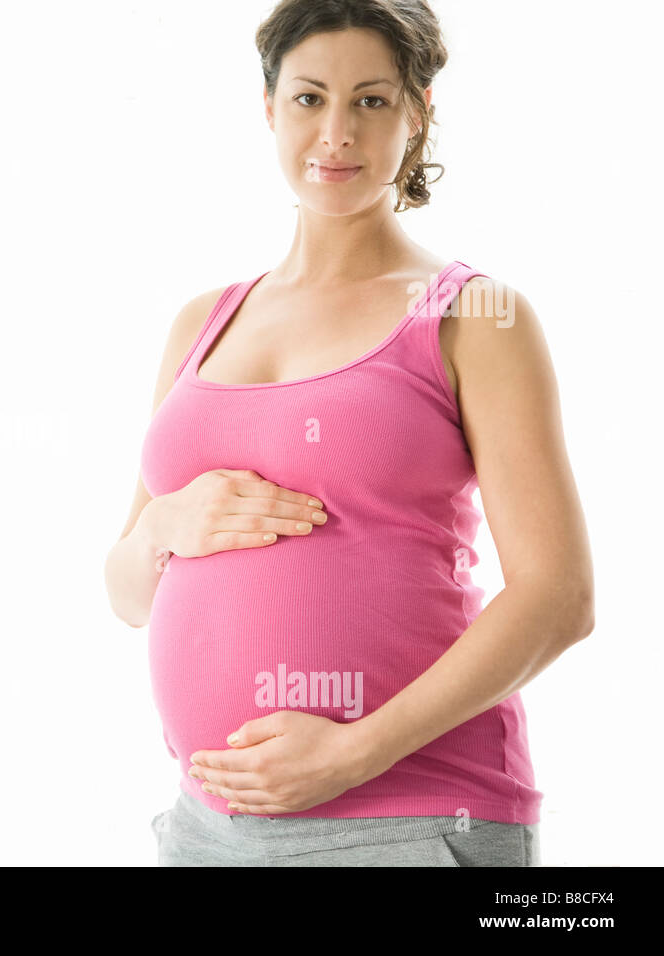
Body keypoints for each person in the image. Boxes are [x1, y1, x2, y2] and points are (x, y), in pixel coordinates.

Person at [102, 0, 594, 866]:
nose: (335, 133)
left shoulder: (474, 316)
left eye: (370, 100)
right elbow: (129, 594)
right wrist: (161, 527)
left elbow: (559, 597)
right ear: (268, 108)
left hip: (409, 817)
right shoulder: (201, 322)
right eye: (308, 98)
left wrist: (354, 752)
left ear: (418, 110)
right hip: (206, 826)